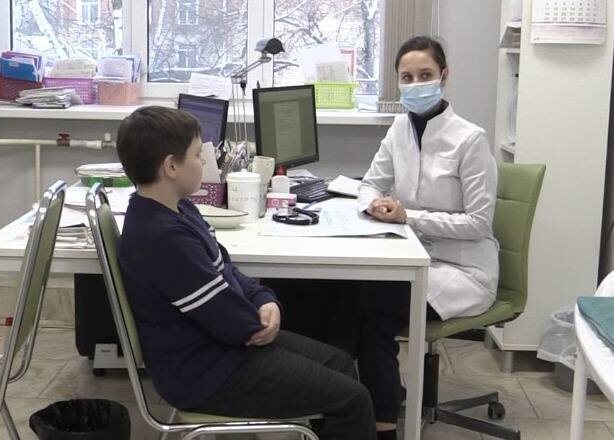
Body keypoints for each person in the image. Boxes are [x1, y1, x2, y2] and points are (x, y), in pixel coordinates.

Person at [266, 36, 499, 440]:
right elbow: (371, 183)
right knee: (339, 292)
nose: (416, 84)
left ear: (444, 75)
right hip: (410, 254)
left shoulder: (470, 139)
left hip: (460, 270)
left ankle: (377, 420)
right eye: (407, 77)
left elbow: (478, 223)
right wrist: (374, 203)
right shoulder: (399, 128)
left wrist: (409, 216)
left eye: (425, 75)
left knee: (371, 307)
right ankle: (341, 403)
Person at [116, 106, 376, 440]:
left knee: (340, 362)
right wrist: (258, 324)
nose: (204, 161)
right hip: (204, 372)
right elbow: (227, 319)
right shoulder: (161, 237)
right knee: (353, 401)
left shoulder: (180, 208)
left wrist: (264, 299)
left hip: (220, 349)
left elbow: (224, 266)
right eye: (197, 154)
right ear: (171, 166)